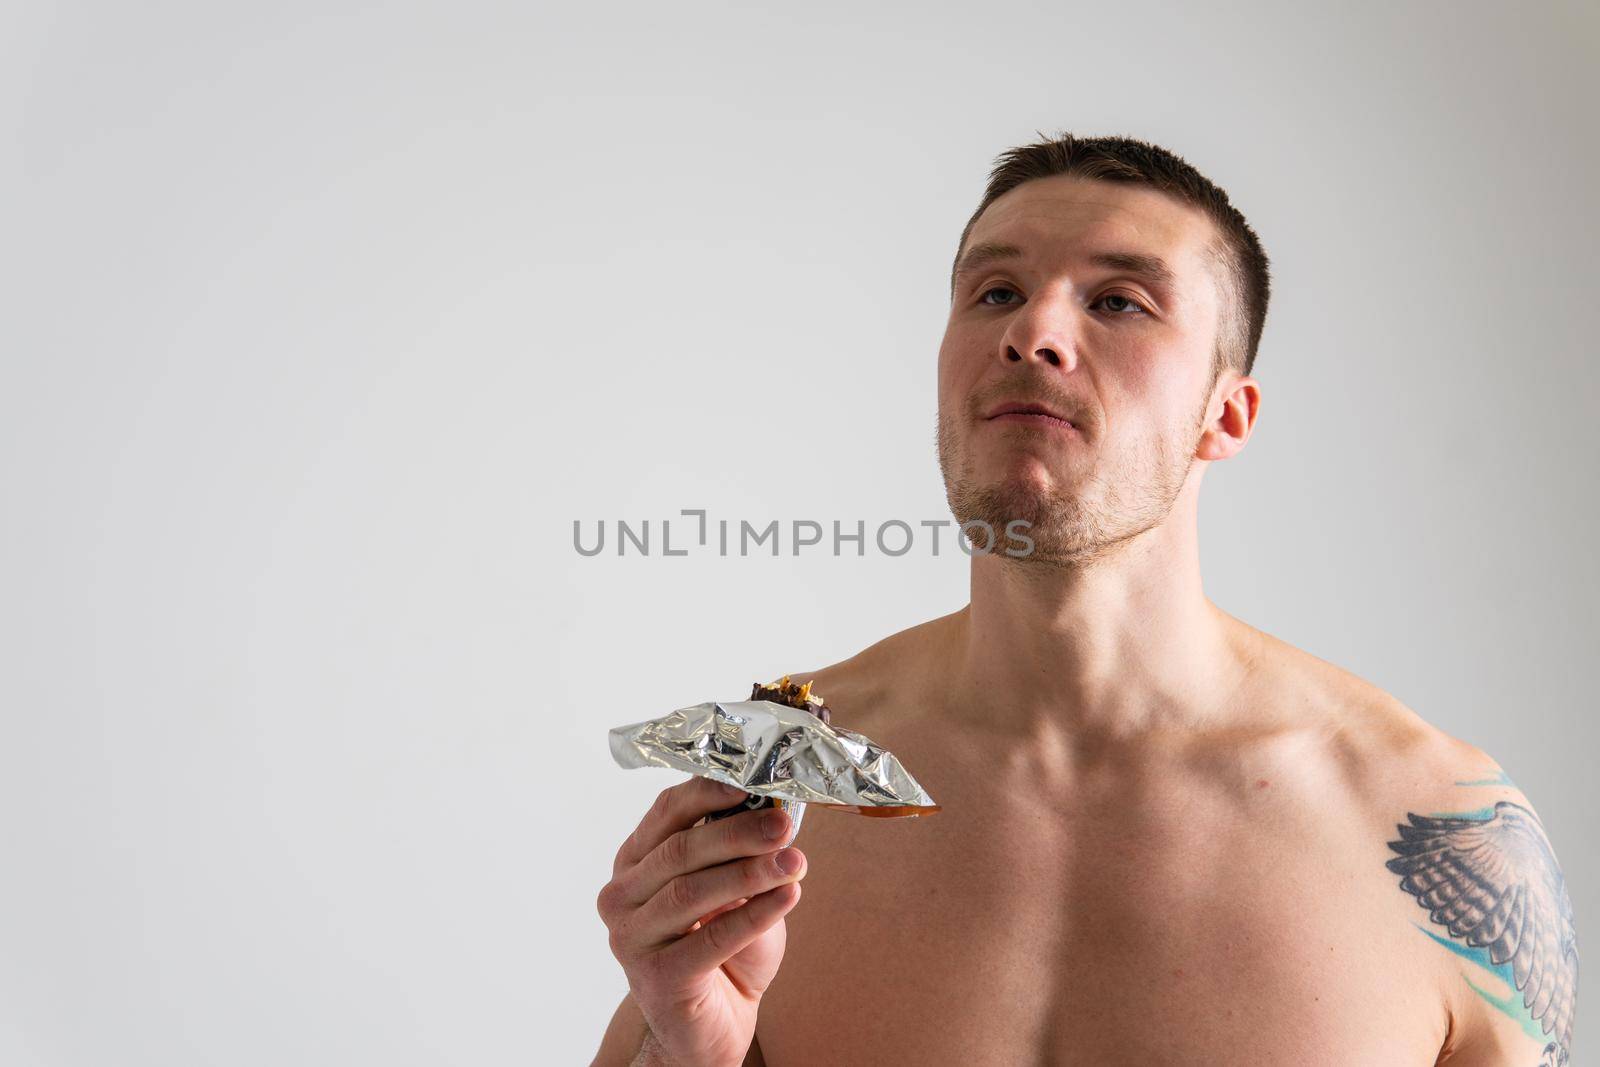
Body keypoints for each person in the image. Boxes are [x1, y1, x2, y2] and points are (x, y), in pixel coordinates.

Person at [591, 133, 1579, 1067]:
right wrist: (688, 1047)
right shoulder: (780, 784)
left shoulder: (1433, 824)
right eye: (995, 290)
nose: (1030, 331)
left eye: (1118, 302)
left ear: (1224, 413)